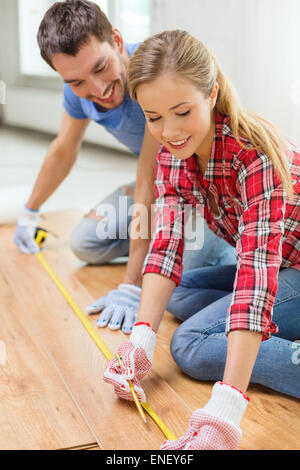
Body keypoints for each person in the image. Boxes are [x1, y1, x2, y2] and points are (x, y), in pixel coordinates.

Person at [103, 30, 300, 450]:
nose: (168, 131)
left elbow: (254, 280)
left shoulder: (256, 156)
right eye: (153, 118)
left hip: (285, 268)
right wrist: (140, 341)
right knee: (175, 296)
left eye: (181, 112)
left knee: (191, 344)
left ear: (211, 95)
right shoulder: (176, 153)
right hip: (283, 264)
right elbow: (167, 246)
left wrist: (224, 414)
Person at [13, 1, 236, 334]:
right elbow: (63, 150)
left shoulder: (150, 78)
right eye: (76, 81)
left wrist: (133, 285)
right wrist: (30, 212)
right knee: (85, 242)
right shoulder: (79, 93)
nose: (97, 88)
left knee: (179, 284)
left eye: (101, 67)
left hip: (207, 195)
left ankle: (225, 252)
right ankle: (161, 246)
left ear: (116, 41)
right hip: (161, 186)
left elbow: (147, 181)